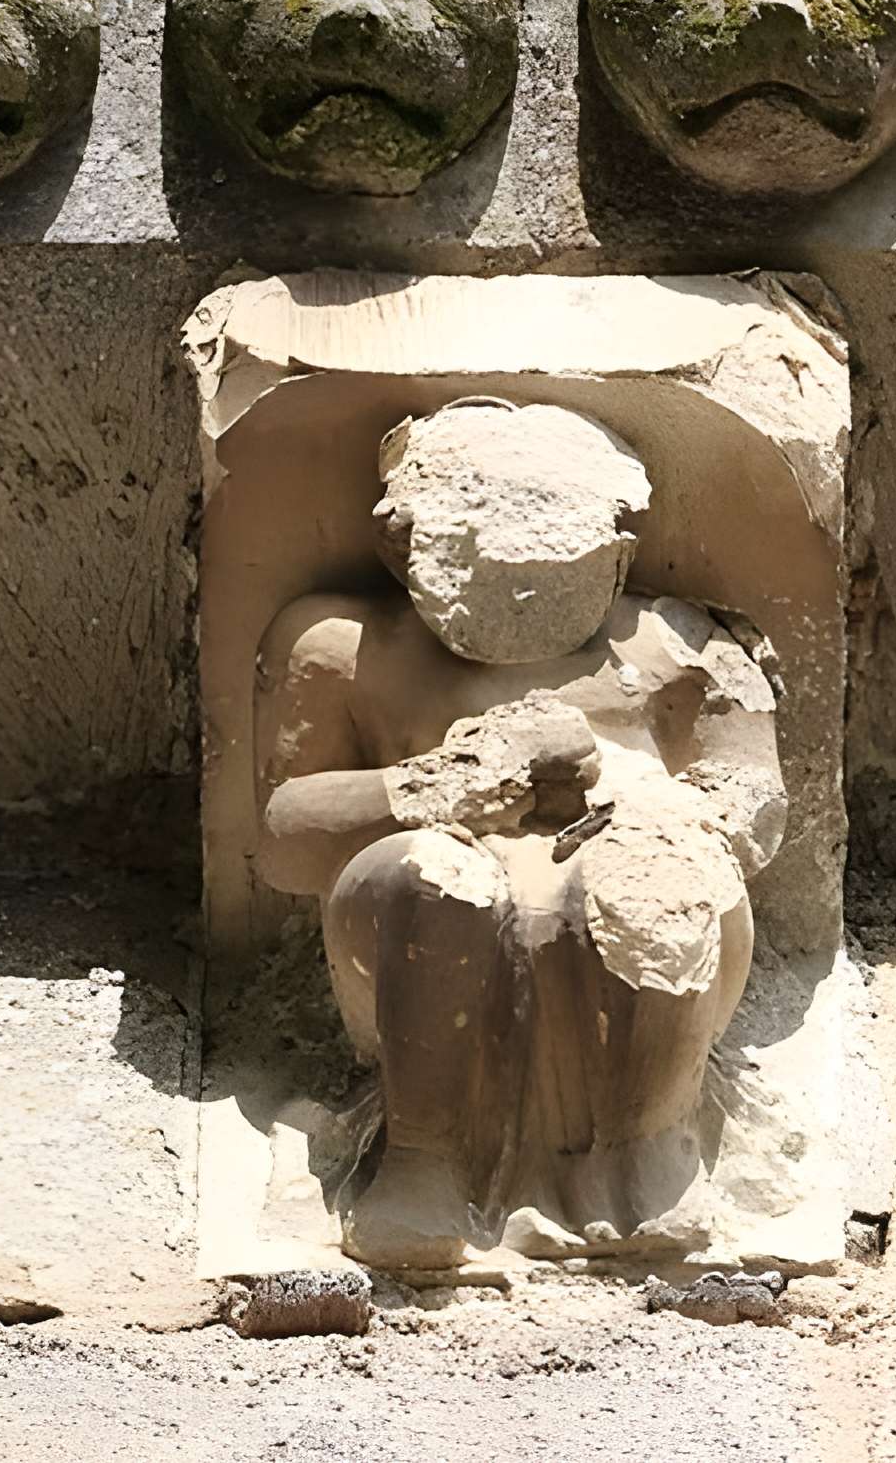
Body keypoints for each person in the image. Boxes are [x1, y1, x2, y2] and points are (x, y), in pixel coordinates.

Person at [251, 398, 784, 1269]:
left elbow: (753, 803)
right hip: (418, 939)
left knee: (658, 870)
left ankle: (647, 1148)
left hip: (634, 933)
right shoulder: (343, 647)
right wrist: (444, 785)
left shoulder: (675, 645)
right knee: (431, 878)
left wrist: (635, 801)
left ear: (620, 553)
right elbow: (285, 834)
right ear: (398, 545)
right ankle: (425, 1157)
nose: (527, 599)